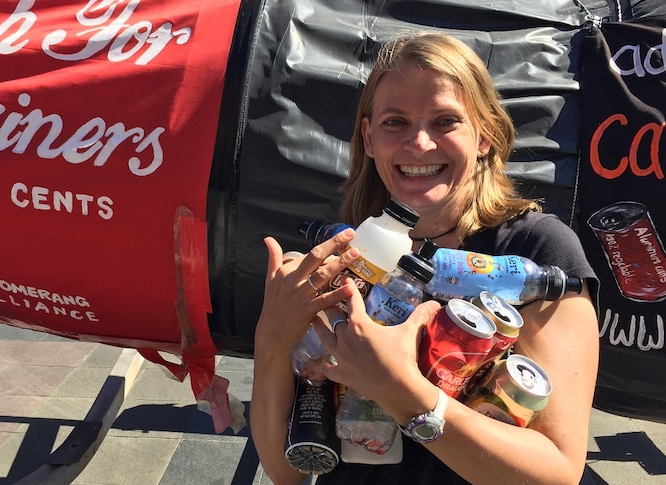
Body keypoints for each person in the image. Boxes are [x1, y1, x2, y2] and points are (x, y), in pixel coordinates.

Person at [250, 32, 599, 485]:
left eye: (445, 121)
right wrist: (273, 338)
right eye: (395, 122)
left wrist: (400, 393)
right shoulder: (347, 254)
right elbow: (283, 470)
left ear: (485, 137)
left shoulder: (537, 254)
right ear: (369, 137)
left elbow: (556, 473)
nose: (419, 143)